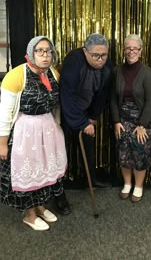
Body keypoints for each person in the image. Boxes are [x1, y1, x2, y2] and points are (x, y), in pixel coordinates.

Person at [0, 36, 68, 231]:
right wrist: (2, 143)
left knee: (44, 168)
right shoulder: (15, 76)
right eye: (40, 51)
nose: (45, 55)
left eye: (48, 51)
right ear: (31, 52)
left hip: (47, 130)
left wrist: (57, 126)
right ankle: (29, 214)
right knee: (29, 171)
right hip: (25, 131)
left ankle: (40, 207)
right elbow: (4, 113)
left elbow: (56, 105)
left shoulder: (53, 73)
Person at [59, 33, 113, 199]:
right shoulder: (73, 61)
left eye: (104, 55)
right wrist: (82, 123)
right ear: (85, 51)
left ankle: (91, 179)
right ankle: (58, 191)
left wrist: (92, 117)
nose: (100, 59)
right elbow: (66, 95)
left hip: (85, 111)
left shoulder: (108, 66)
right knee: (62, 149)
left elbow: (102, 95)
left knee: (88, 148)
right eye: (95, 55)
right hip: (64, 111)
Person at [111, 34, 151, 202]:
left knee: (140, 156)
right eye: (128, 48)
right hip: (122, 122)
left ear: (140, 50)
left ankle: (138, 186)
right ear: (124, 50)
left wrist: (142, 124)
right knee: (124, 155)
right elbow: (113, 99)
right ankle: (127, 184)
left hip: (141, 122)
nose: (131, 51)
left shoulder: (147, 72)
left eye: (135, 48)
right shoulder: (116, 70)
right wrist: (116, 121)